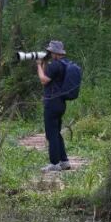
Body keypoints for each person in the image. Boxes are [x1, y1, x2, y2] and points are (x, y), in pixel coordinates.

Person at [36, 40, 71, 172]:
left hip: (52, 103)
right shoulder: (63, 64)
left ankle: (54, 163)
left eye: (50, 52)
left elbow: (43, 80)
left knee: (51, 134)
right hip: (60, 103)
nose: (49, 54)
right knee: (56, 132)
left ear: (55, 53)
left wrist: (39, 65)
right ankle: (64, 161)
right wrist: (44, 64)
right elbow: (49, 76)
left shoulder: (55, 65)